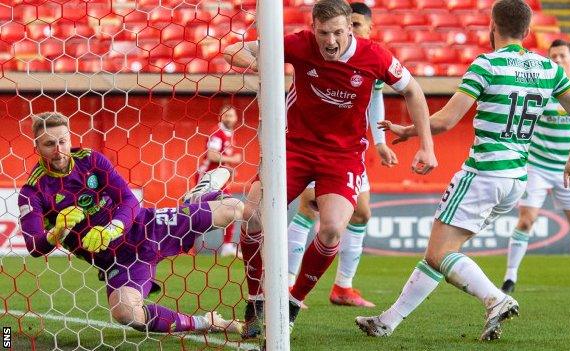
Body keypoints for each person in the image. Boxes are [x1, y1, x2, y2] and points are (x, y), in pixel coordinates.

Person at [356, 0, 570, 341]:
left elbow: (448, 119)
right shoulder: (549, 70)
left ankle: (494, 299)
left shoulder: (487, 64)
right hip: (516, 179)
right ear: (527, 32)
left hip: (483, 172)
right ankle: (387, 321)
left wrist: (410, 131)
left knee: (441, 253)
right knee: (441, 252)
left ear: (492, 26)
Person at [224, 0, 437, 338]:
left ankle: (292, 304)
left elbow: (412, 90)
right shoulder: (298, 44)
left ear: (350, 29)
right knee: (251, 214)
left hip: (342, 156)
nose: (331, 41)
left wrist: (426, 145)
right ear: (313, 29)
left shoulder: (375, 56)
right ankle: (256, 300)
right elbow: (233, 51)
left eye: (338, 32)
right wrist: (263, 65)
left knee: (333, 230)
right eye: (324, 33)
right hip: (293, 147)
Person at [19, 112, 244, 335]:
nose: (58, 151)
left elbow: (129, 200)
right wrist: (58, 231)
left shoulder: (90, 159)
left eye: (62, 141)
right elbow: (34, 246)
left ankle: (198, 198)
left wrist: (112, 229)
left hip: (147, 227)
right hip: (121, 262)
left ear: (70, 138)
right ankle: (206, 323)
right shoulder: (33, 191)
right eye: (49, 144)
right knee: (124, 312)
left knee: (235, 208)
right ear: (36, 147)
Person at [286, 1, 398, 308]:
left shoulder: (369, 57)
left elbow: (374, 100)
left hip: (349, 148)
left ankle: (343, 286)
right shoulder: (323, 52)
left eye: (359, 26)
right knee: (311, 206)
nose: (338, 38)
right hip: (314, 142)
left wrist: (380, 141)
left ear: (365, 28)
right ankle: (287, 281)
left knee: (361, 213)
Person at [501, 39, 570, 294]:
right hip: (537, 166)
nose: (558, 60)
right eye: (553, 56)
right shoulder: (541, 89)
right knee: (526, 220)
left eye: (562, 55)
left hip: (569, 169)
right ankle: (510, 278)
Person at [195, 104, 243, 257]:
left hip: (219, 177)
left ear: (236, 118)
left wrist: (229, 169)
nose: (229, 118)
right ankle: (183, 242)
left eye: (232, 115)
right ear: (220, 117)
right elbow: (212, 155)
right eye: (226, 115)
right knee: (196, 211)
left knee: (230, 207)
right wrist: (233, 159)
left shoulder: (229, 133)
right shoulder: (217, 133)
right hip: (208, 177)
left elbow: (220, 159)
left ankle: (228, 245)